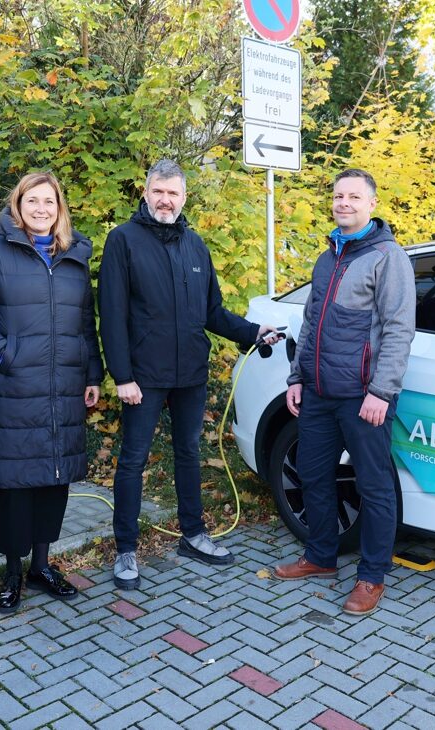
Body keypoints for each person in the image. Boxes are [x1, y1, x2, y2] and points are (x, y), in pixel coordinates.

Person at [98, 159, 279, 590]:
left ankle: (193, 535)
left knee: (189, 453)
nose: (165, 200)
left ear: (184, 197)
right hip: (143, 375)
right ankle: (126, 548)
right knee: (133, 459)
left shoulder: (195, 245)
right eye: (158, 192)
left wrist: (254, 332)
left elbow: (212, 311)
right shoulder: (123, 240)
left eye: (173, 193)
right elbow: (112, 314)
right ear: (145, 193)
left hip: (191, 373)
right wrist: (122, 376)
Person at [272, 168, 416, 616]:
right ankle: (320, 556)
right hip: (318, 392)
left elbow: (398, 329)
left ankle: (372, 576)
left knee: (374, 486)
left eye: (354, 197)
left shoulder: (387, 257)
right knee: (313, 473)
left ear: (372, 204)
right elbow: (310, 323)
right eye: (338, 196)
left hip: (363, 396)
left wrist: (381, 392)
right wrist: (297, 378)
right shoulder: (327, 257)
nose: (344, 203)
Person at [0, 172, 103, 614]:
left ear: (60, 208)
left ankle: (41, 566)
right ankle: (12, 571)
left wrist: (92, 374)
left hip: (63, 388)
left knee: (54, 479)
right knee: (16, 484)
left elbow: (85, 323)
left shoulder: (75, 256)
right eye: (32, 201)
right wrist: (5, 355)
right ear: (18, 206)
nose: (41, 209)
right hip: (13, 387)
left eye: (49, 201)